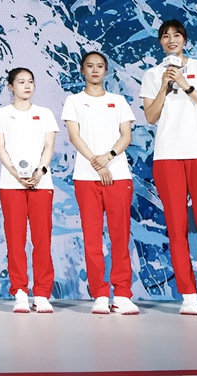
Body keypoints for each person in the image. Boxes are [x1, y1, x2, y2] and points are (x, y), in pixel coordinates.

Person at [141, 19, 197, 316]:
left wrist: (187, 86)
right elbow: (151, 117)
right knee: (176, 228)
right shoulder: (152, 75)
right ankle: (188, 294)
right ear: (161, 43)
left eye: (176, 35)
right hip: (168, 156)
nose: (171, 40)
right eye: (165, 36)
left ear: (185, 40)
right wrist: (165, 85)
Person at [63, 52, 138, 316]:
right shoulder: (73, 101)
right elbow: (74, 136)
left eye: (100, 66)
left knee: (120, 236)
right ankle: (100, 293)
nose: (95, 70)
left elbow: (126, 135)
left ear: (106, 71)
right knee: (92, 238)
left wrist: (108, 158)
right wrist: (97, 162)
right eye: (90, 66)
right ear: (82, 70)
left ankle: (123, 294)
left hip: (118, 175)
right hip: (86, 176)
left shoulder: (117, 101)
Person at [0, 67, 58, 314]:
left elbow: (49, 145)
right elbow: (0, 147)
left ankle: (41, 294)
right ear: (11, 87)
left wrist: (40, 171)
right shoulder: (1, 115)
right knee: (15, 240)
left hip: (41, 184)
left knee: (42, 240)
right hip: (11, 184)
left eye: (30, 81)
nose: (27, 86)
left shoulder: (45, 114)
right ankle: (20, 291)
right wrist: (15, 173)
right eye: (21, 82)